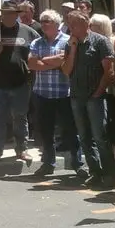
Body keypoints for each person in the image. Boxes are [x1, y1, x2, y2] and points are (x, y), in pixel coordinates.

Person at [0, 0, 37, 165]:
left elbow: (40, 49)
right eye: (5, 13)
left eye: (12, 13)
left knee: (20, 117)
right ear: (1, 14)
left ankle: (22, 149)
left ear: (17, 15)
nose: (8, 16)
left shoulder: (28, 32)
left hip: (21, 83)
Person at [61, 10, 115, 187]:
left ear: (86, 24)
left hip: (95, 96)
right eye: (69, 24)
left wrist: (99, 91)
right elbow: (66, 70)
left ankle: (110, 173)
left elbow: (109, 71)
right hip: (77, 96)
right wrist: (74, 49)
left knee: (99, 135)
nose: (71, 28)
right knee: (84, 137)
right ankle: (95, 171)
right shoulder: (70, 44)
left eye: (74, 24)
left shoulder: (100, 41)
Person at [28, 10, 85, 178]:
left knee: (71, 130)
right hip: (42, 94)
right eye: (42, 21)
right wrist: (57, 61)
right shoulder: (37, 42)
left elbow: (68, 63)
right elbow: (32, 64)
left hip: (65, 93)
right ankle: (48, 163)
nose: (44, 24)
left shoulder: (68, 41)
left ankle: (77, 164)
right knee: (46, 132)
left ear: (56, 23)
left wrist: (45, 60)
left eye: (47, 21)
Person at [90, 13, 115, 155]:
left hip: (114, 91)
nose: (90, 29)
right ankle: (109, 165)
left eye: (93, 26)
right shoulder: (90, 42)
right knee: (102, 129)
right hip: (96, 89)